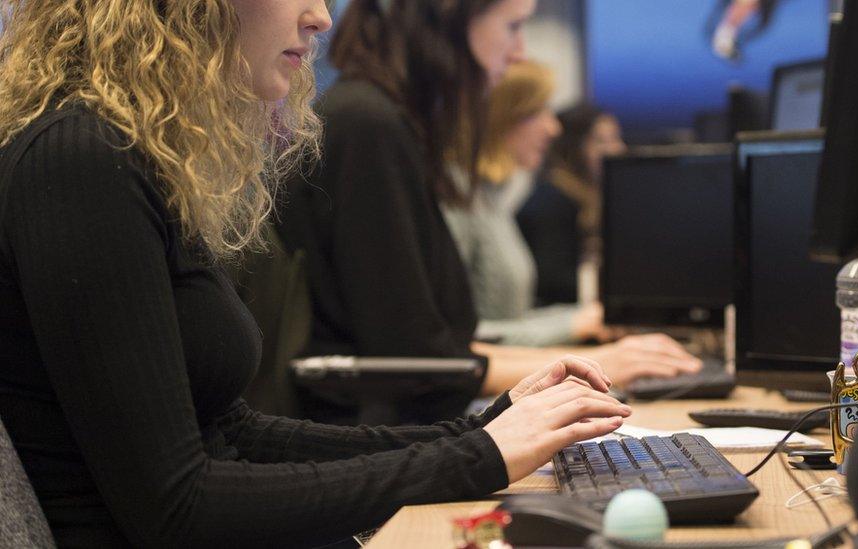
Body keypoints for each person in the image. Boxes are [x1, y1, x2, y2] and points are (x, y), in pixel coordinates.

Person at [0, 1, 630, 546]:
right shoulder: (81, 161)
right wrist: (475, 458)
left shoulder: (139, 158)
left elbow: (231, 432)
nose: (323, 18)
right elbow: (177, 508)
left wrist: (477, 431)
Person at [281, 3, 701, 419]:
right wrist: (593, 363)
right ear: (446, 23)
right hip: (376, 445)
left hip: (399, 440)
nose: (519, 51)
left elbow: (434, 350)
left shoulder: (388, 123)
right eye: (512, 27)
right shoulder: (368, 124)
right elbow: (420, 362)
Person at [517, 103, 626, 306]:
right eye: (602, 142)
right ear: (573, 147)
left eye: (616, 138)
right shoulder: (552, 200)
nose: (617, 149)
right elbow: (552, 280)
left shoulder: (592, 198)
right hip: (547, 317)